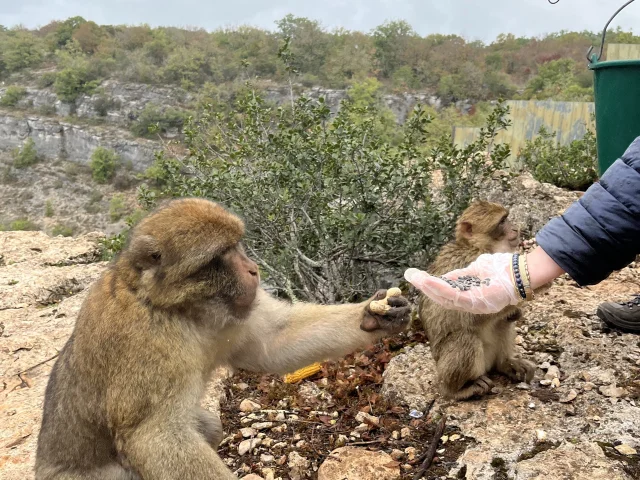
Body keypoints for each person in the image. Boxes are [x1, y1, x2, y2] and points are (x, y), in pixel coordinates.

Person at [405, 136, 640, 333]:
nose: (513, 229)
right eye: (501, 224)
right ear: (469, 231)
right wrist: (525, 276)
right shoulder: (463, 261)